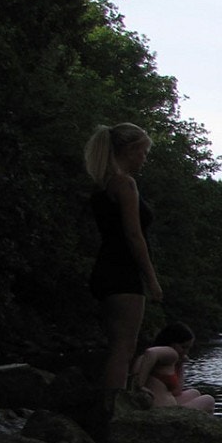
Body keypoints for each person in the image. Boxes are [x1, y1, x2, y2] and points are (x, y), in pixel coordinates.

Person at [85, 123, 162, 391]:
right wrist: (151, 279)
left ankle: (109, 407)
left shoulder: (102, 184)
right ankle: (114, 411)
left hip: (105, 269)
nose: (144, 159)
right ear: (130, 150)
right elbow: (133, 235)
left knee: (116, 344)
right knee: (124, 347)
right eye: (143, 153)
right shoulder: (124, 184)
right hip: (123, 273)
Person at [133, 322, 215, 412]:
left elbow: (177, 392)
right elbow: (151, 352)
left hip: (165, 405)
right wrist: (140, 385)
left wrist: (180, 364)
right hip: (163, 410)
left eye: (188, 348)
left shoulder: (164, 358)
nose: (186, 352)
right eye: (183, 347)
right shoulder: (171, 352)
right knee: (209, 400)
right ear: (172, 342)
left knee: (194, 392)